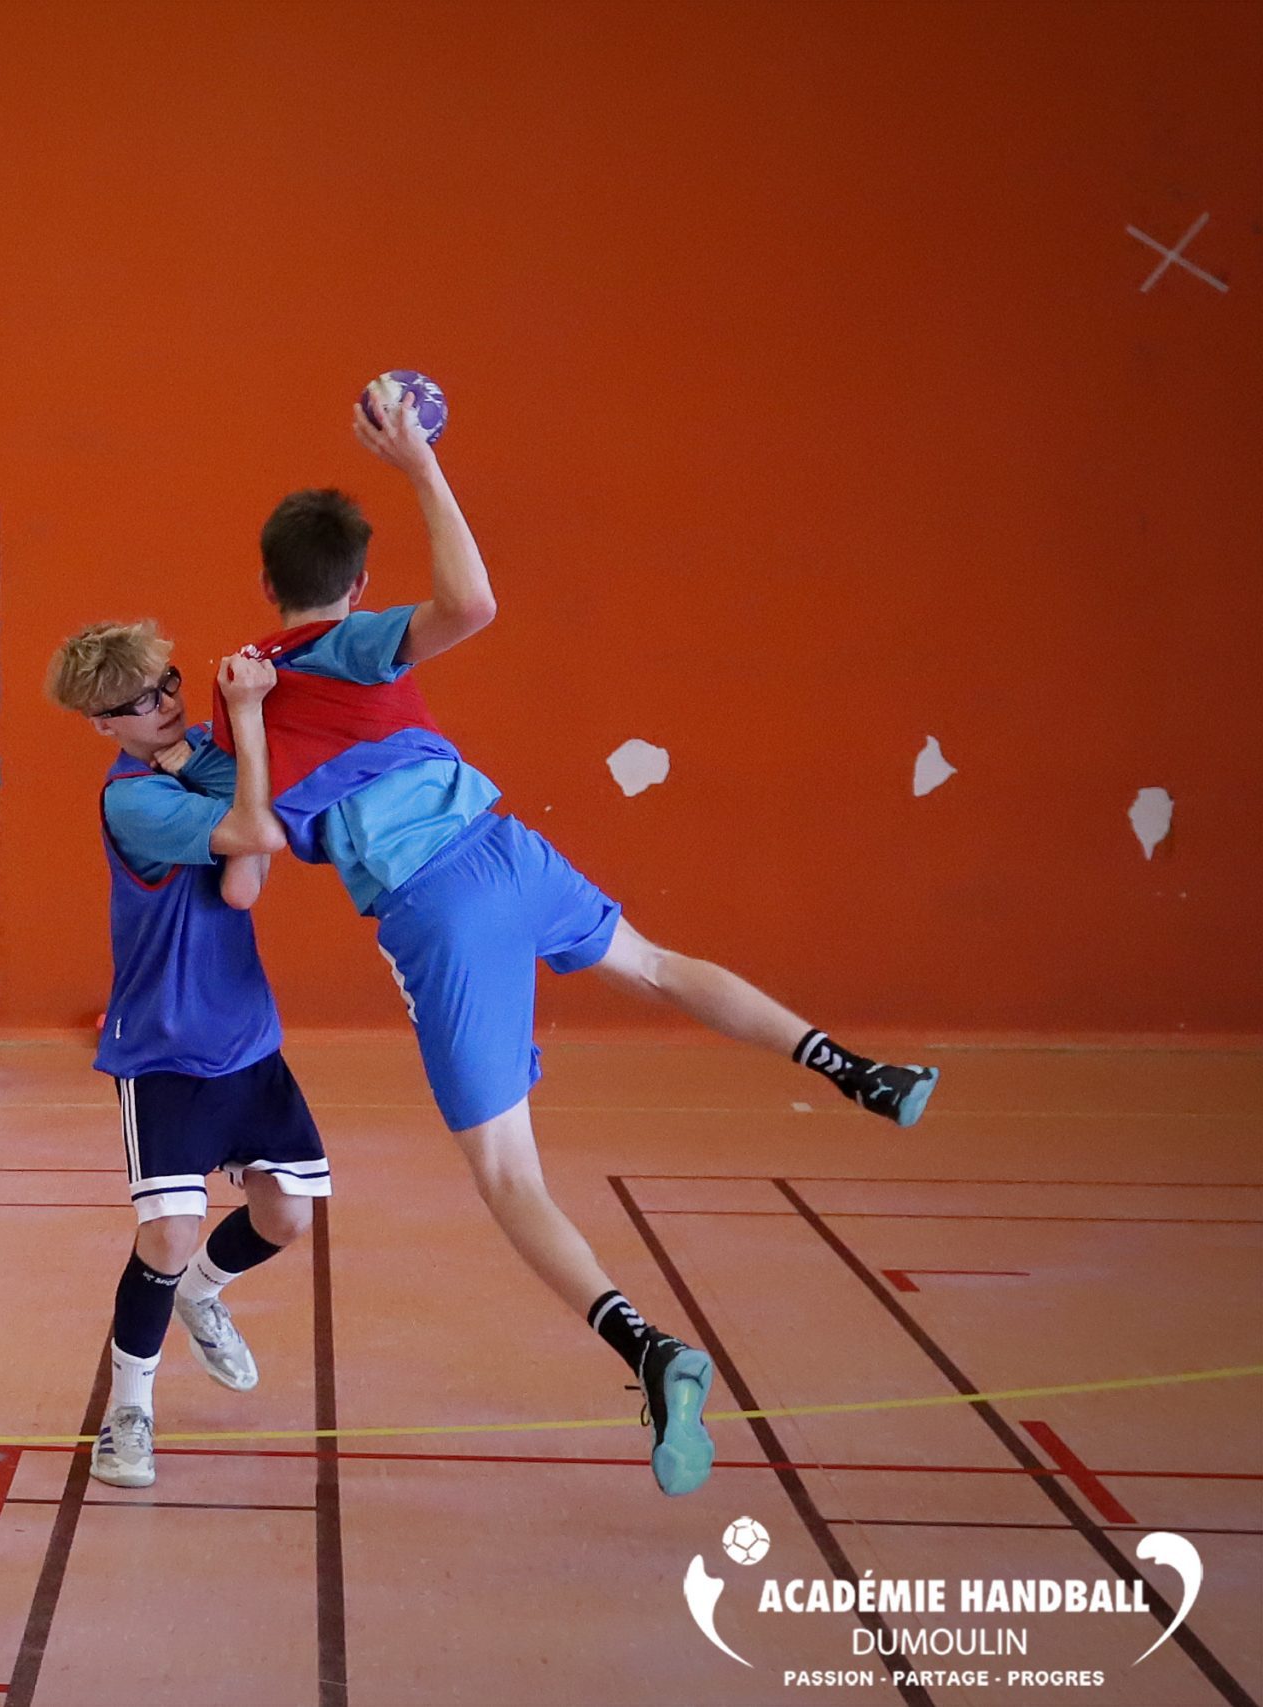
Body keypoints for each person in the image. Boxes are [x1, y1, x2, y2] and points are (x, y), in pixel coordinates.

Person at [230, 395, 940, 1496]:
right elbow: (455, 613)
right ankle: (854, 1069)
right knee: (653, 963)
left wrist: (417, 464)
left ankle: (648, 1350)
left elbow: (460, 616)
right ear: (360, 579)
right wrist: (418, 466)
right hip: (508, 851)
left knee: (508, 1175)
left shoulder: (295, 664)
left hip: (437, 908)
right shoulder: (348, 649)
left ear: (267, 581)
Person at [46, 622, 326, 1490]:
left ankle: (202, 1293)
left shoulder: (196, 752)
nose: (163, 704)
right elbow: (252, 824)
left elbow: (258, 835)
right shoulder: (131, 799)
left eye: (166, 683)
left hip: (246, 1033)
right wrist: (246, 719)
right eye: (136, 701)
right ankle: (128, 1411)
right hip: (164, 1045)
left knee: (286, 1216)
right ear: (103, 723)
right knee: (168, 1231)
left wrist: (234, 752)